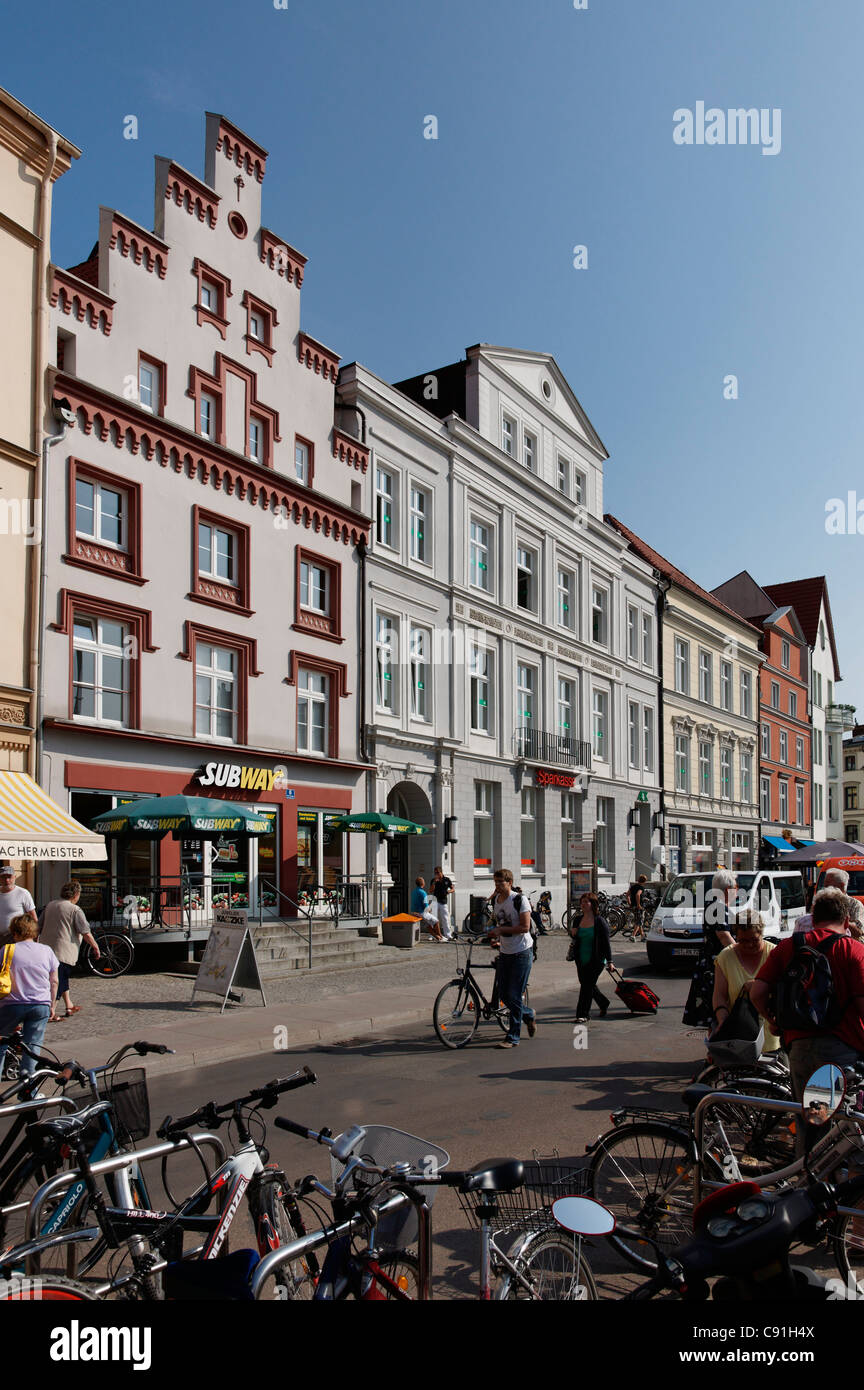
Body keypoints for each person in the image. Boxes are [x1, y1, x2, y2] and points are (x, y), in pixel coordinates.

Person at [750, 886, 864, 1101]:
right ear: (846, 921)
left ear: (813, 919)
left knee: (807, 1118)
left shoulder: (786, 947)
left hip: (798, 1045)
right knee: (842, 1121)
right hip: (843, 1048)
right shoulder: (854, 950)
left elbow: (757, 992)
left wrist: (773, 1021)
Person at [711, 911, 780, 1054]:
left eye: (754, 940)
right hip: (739, 1041)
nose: (749, 945)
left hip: (772, 1041)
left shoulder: (775, 954)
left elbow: (785, 991)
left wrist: (758, 986)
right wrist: (723, 1021)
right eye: (743, 941)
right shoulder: (725, 957)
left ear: (761, 933)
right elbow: (719, 996)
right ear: (736, 935)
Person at [482, 868, 536, 1049]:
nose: (497, 886)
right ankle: (528, 1014)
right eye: (495, 882)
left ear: (509, 883)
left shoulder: (519, 900)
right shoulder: (497, 901)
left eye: (500, 883)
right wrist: (496, 939)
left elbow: (525, 927)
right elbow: (500, 924)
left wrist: (501, 931)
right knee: (504, 994)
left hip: (522, 952)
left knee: (513, 994)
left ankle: (513, 1037)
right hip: (505, 952)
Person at [0, 915, 59, 1079]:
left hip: (11, 1004)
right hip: (40, 1005)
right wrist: (52, 1005)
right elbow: (54, 981)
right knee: (32, 1048)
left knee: (1, 1045)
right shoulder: (46, 950)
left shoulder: (7, 950)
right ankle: (28, 1093)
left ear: (15, 932)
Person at [682, 870, 738, 1028]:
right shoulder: (718, 907)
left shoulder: (713, 905)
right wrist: (740, 954)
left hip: (711, 962)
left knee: (713, 1015)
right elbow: (723, 936)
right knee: (717, 1010)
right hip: (717, 965)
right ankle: (715, 1049)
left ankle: (713, 1050)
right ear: (728, 890)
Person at [38, 880, 101, 1017]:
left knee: (61, 978)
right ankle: (51, 1011)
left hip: (46, 949)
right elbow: (85, 932)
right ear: (76, 894)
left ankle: (69, 1005)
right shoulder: (75, 910)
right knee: (58, 980)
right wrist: (95, 946)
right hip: (64, 950)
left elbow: (39, 926)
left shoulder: (49, 905)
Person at [568, 892, 613, 1023]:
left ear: (593, 904)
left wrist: (610, 961)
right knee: (587, 984)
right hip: (581, 958)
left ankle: (582, 1014)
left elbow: (606, 943)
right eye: (582, 902)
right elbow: (575, 937)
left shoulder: (600, 921)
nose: (583, 905)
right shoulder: (577, 919)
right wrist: (573, 933)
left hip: (596, 959)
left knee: (586, 986)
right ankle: (603, 1002)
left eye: (586, 902)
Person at [794, 868, 852, 934]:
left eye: (828, 885)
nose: (825, 888)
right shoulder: (845, 934)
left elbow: (859, 931)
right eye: (824, 885)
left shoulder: (802, 922)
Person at [0, 867, 36, 942]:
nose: (7, 880)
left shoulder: (23, 893)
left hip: (15, 937)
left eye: (9, 877)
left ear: (15, 877)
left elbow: (33, 917)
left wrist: (33, 937)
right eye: (3, 877)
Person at [410, 876, 443, 942]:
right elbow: (425, 905)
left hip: (413, 912)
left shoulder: (413, 891)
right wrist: (430, 910)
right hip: (421, 912)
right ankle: (441, 937)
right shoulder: (423, 892)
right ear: (423, 883)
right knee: (436, 921)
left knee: (428, 925)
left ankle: (437, 937)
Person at [429, 866, 454, 941]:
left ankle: (448, 935)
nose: (436, 874)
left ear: (441, 872)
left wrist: (448, 891)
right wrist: (434, 883)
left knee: (445, 918)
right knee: (433, 919)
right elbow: (430, 890)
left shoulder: (447, 880)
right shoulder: (433, 880)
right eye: (435, 873)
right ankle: (433, 935)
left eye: (438, 873)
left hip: (443, 901)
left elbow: (453, 889)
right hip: (435, 901)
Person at [628, 874, 648, 940]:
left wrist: (629, 903)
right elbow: (638, 895)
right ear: (644, 881)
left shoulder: (633, 887)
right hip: (638, 907)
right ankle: (633, 935)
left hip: (633, 906)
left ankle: (642, 936)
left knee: (639, 921)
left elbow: (627, 895)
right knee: (639, 921)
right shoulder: (641, 888)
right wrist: (638, 904)